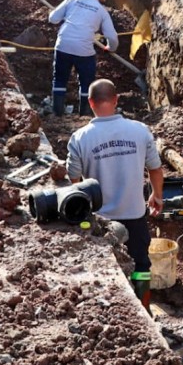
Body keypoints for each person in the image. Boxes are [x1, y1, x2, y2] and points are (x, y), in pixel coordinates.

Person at [65, 79, 165, 306]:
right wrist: (156, 195)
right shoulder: (139, 130)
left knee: (106, 269)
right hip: (135, 213)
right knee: (141, 265)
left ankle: (113, 308)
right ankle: (145, 306)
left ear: (90, 102)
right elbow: (155, 169)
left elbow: (73, 181)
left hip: (101, 220)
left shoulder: (80, 138)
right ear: (116, 100)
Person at [48, 0, 118, 115]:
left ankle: (57, 113)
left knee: (59, 79)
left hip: (63, 45)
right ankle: (85, 114)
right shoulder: (101, 10)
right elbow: (112, 36)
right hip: (84, 51)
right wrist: (111, 48)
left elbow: (52, 18)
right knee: (86, 82)